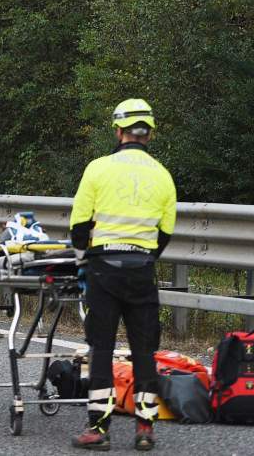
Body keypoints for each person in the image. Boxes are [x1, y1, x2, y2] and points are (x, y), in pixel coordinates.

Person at [70, 98, 177, 452]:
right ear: (150, 134)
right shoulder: (162, 174)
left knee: (101, 348)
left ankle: (98, 428)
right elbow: (165, 232)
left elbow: (79, 226)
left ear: (118, 131)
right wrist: (143, 256)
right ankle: (145, 428)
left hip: (103, 270)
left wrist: (85, 259)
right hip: (142, 270)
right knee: (144, 350)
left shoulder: (98, 169)